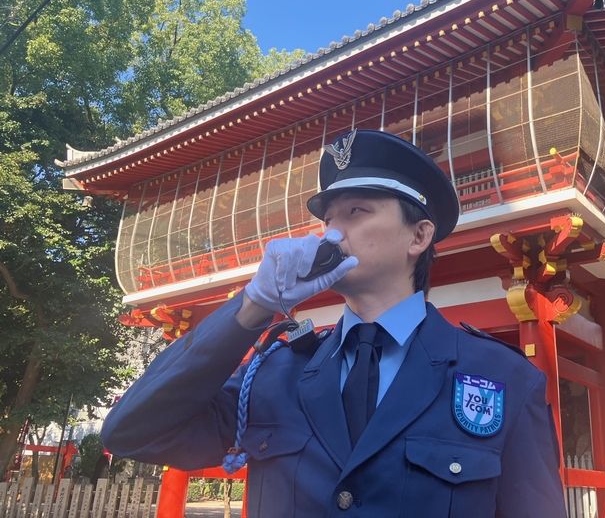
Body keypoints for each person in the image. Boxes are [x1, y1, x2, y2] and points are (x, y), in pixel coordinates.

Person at [101, 129, 566, 517]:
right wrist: (252, 306)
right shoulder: (273, 373)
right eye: (328, 219)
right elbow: (132, 433)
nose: (332, 233)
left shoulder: (504, 379)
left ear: (419, 235)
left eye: (356, 211)